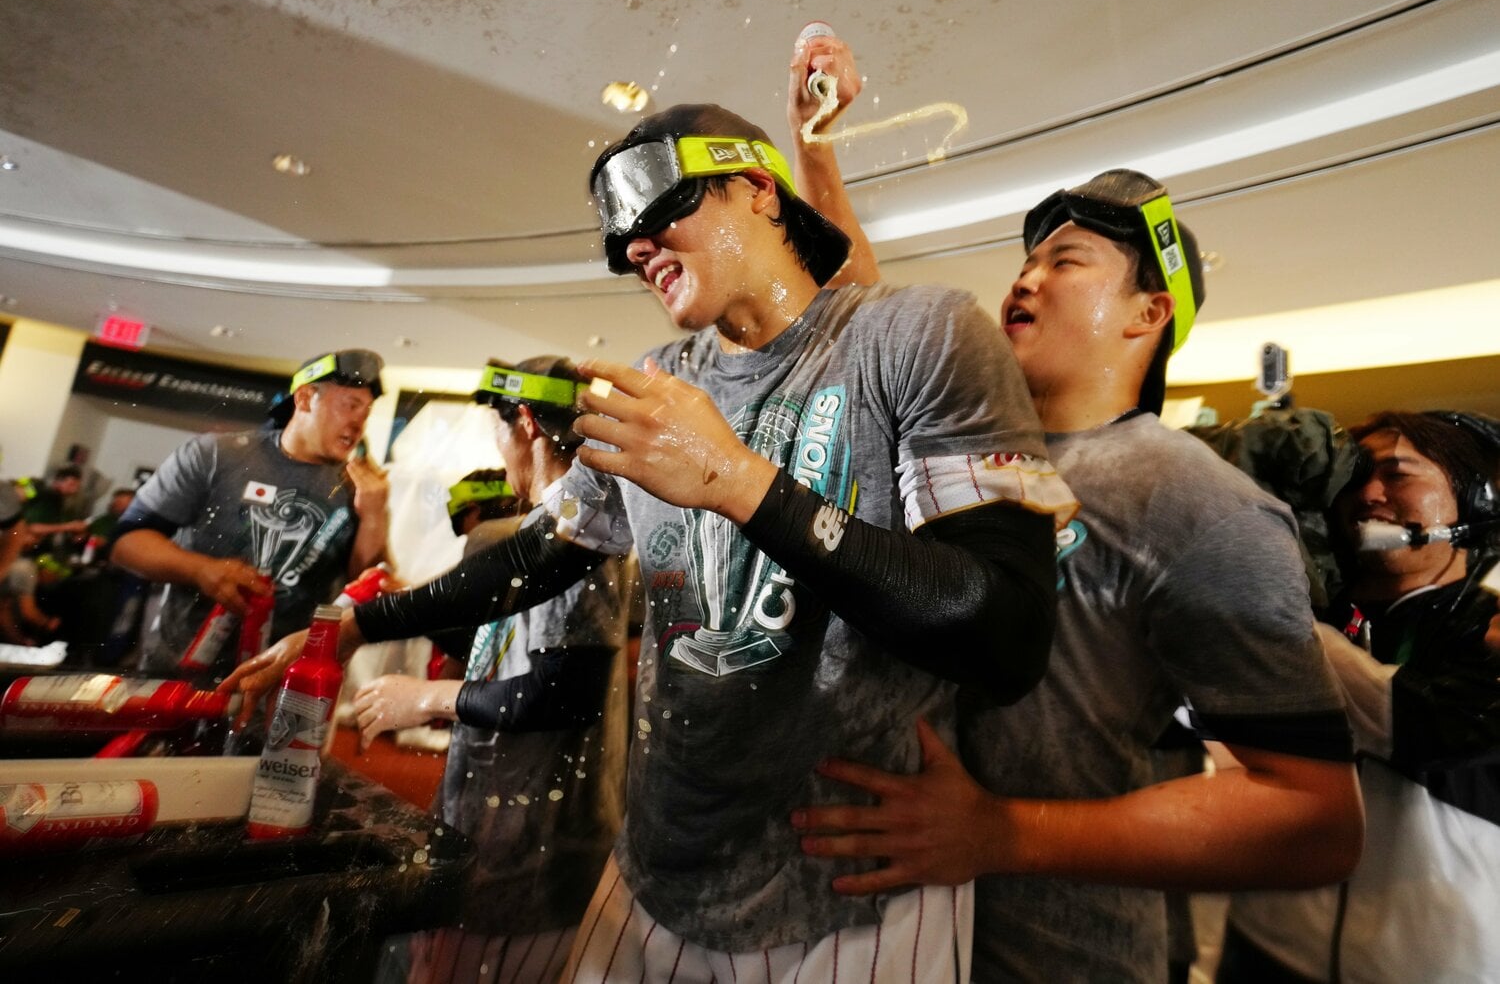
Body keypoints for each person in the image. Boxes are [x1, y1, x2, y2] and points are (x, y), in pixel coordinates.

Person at [226, 102, 1074, 981]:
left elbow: (1004, 629)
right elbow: (540, 554)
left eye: (657, 210)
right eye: (620, 241)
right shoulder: (661, 381)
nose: (634, 248)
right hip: (657, 868)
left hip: (849, 888)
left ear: (757, 189)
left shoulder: (917, 333)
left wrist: (740, 481)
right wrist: (354, 626)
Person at [785, 34, 1363, 982]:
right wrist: (817, 146)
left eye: (1068, 261)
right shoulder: (966, 448)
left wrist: (1002, 832)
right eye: (1026, 260)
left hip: (1060, 954)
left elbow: (1312, 818)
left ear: (1147, 314)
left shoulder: (1196, 499)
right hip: (882, 940)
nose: (1024, 277)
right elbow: (865, 306)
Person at [357, 359, 632, 984]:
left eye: (497, 430)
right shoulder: (549, 527)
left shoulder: (573, 535)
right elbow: (506, 648)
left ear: (526, 423)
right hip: (506, 842)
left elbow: (563, 694)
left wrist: (425, 697)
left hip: (529, 862)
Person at [1220, 410, 1500, 982]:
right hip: (1268, 947)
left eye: (1397, 474)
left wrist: (1267, 613)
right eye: (1355, 476)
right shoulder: (1315, 605)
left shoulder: (1490, 618)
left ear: (1477, 501)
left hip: (1438, 962)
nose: (1368, 492)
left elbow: (1429, 726)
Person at [112, 348, 390, 678]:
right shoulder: (216, 455)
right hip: (178, 670)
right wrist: (200, 570)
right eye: (350, 405)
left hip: (283, 680)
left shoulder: (357, 482)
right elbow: (125, 543)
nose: (359, 422)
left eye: (367, 411)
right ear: (304, 399)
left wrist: (374, 516)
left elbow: (363, 586)